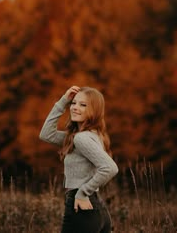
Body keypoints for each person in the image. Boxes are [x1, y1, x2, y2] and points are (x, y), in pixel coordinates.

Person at [39, 85, 118, 233]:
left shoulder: (81, 139)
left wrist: (82, 193)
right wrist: (63, 101)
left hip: (82, 207)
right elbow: (46, 134)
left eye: (83, 105)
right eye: (73, 103)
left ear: (94, 110)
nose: (75, 107)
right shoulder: (83, 136)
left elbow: (110, 167)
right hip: (94, 207)